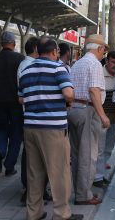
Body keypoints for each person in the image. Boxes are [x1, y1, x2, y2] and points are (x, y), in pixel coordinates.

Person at [19, 36, 82, 220]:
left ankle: (34, 213)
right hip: (52, 128)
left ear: (38, 51)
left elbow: (21, 98)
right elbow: (69, 93)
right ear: (55, 52)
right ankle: (62, 214)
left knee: (34, 173)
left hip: (30, 127)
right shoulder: (57, 68)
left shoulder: (26, 71)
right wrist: (65, 101)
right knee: (59, 172)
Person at [68, 34, 110, 205]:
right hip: (87, 110)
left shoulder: (77, 63)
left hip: (74, 109)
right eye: (104, 52)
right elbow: (94, 91)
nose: (103, 55)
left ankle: (79, 191)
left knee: (77, 154)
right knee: (89, 155)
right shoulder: (94, 64)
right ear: (99, 48)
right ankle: (83, 195)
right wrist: (102, 115)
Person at [0, 31, 25, 176]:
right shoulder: (20, 59)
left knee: (1, 129)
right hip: (16, 103)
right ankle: (9, 166)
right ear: (14, 43)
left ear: (1, 43)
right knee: (16, 134)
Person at [16, 36, 44, 204]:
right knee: (32, 156)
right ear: (35, 48)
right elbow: (24, 96)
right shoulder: (29, 66)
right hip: (34, 117)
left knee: (31, 155)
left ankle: (31, 190)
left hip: (31, 116)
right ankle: (29, 190)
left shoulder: (26, 65)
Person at [94, 51, 115, 187]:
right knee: (99, 149)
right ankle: (96, 178)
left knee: (108, 148)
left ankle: (100, 175)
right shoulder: (98, 74)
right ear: (107, 61)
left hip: (113, 119)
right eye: (112, 62)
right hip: (100, 119)